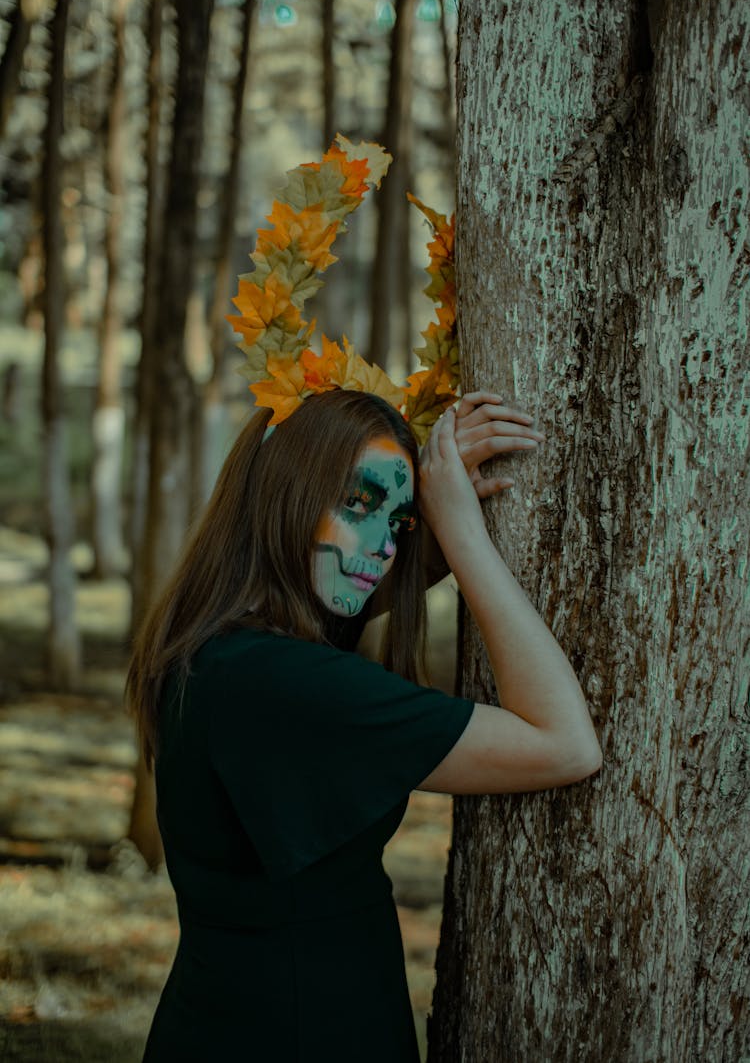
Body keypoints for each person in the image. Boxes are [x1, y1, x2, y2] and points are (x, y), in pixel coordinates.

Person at [126, 387, 601, 1063]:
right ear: (287, 494)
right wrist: (464, 536)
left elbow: (343, 603)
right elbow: (565, 743)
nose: (383, 546)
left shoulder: (213, 648)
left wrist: (433, 522)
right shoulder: (292, 686)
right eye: (358, 504)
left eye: (399, 521)